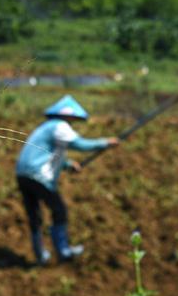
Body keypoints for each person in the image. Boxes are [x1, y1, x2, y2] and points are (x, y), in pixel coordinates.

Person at [15, 94, 118, 264]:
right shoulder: (60, 126)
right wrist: (105, 142)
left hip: (22, 174)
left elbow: (47, 153)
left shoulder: (45, 127)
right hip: (39, 175)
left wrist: (68, 165)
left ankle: (40, 255)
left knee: (34, 214)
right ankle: (63, 251)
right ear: (66, 115)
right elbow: (80, 144)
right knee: (59, 210)